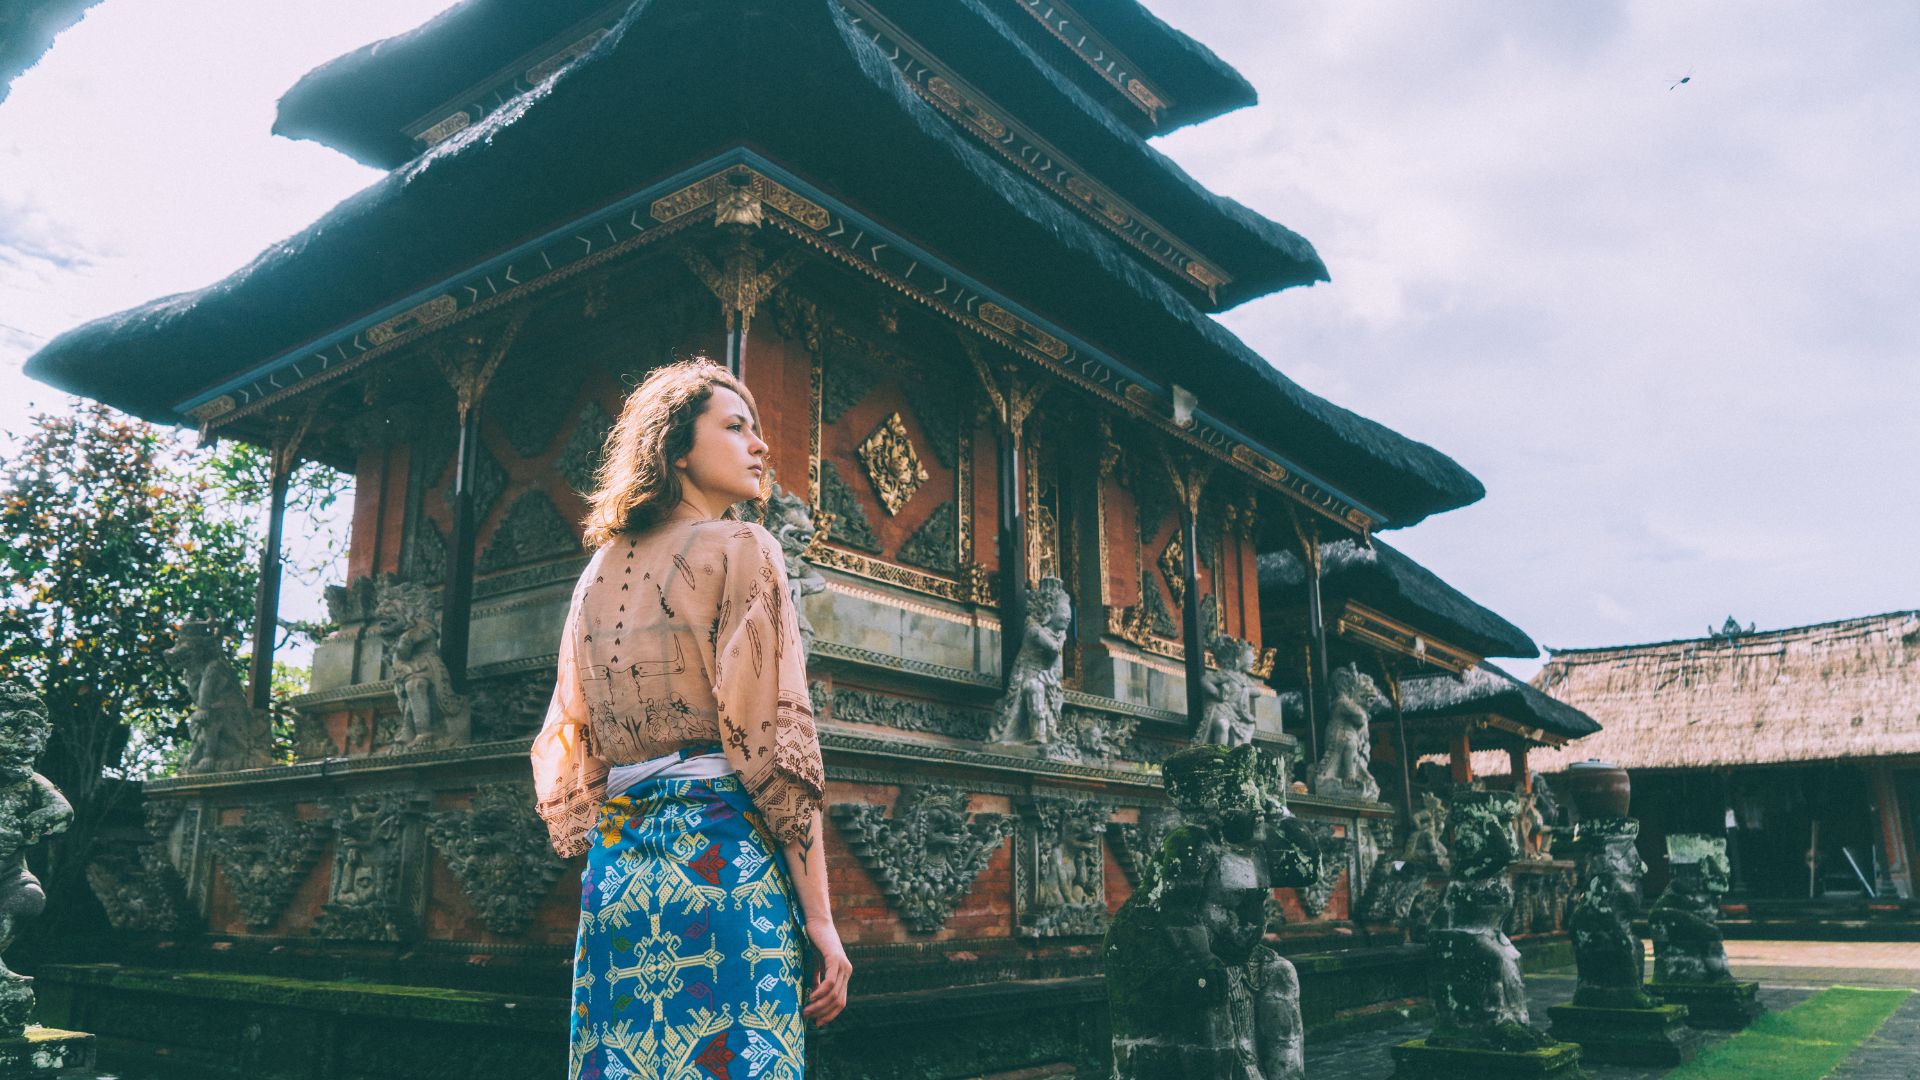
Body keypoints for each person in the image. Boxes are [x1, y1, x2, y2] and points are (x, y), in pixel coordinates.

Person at [531, 358, 851, 1079]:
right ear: (677, 449)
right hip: (720, 864)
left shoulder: (595, 574)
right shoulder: (742, 548)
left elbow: (575, 749)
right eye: (735, 428)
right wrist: (822, 925)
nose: (760, 446)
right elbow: (776, 755)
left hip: (617, 879)